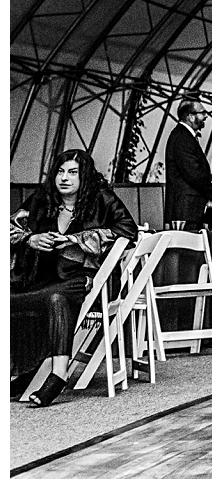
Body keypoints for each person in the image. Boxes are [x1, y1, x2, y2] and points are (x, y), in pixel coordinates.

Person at [11, 150, 138, 407]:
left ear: (85, 176)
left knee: (58, 297)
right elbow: (10, 226)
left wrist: (75, 240)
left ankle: (59, 373)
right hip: (40, 278)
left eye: (72, 173)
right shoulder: (41, 199)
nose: (64, 178)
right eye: (60, 172)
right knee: (23, 299)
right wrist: (30, 239)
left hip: (85, 279)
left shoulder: (102, 199)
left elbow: (128, 232)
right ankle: (31, 370)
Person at [163, 97, 212, 231]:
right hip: (186, 210)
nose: (205, 116)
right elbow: (193, 173)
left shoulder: (182, 136)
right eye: (202, 113)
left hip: (186, 210)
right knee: (187, 249)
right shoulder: (183, 138)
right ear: (191, 117)